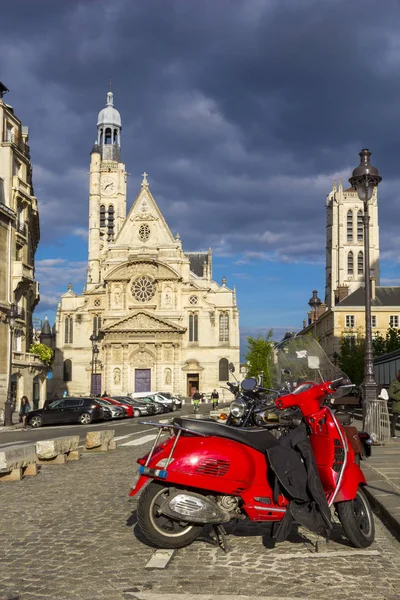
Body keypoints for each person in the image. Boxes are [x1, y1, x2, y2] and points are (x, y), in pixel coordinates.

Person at [388, 372, 400, 438]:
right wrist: (397, 398)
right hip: (397, 403)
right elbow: (390, 393)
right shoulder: (394, 383)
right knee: (395, 419)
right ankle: (392, 433)